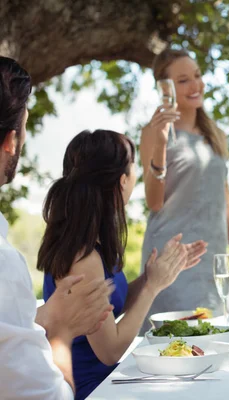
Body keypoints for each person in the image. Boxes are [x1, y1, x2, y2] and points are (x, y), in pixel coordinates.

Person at [37, 129, 207, 399]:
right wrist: (153, 287)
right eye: (133, 166)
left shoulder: (88, 243)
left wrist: (150, 276)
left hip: (110, 381)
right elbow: (110, 351)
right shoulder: (83, 259)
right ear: (121, 180)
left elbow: (110, 307)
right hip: (93, 390)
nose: (136, 175)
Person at [0, 56, 115, 400]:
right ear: (11, 140)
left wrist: (44, 316)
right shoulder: (4, 263)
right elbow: (48, 396)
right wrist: (61, 333)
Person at [139, 48, 229, 327]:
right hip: (173, 258)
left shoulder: (216, 135)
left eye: (197, 76)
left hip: (214, 260)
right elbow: (154, 202)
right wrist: (162, 144)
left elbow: (225, 204)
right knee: (178, 346)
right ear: (166, 88)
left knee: (216, 340)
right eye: (184, 79)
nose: (195, 85)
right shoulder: (152, 132)